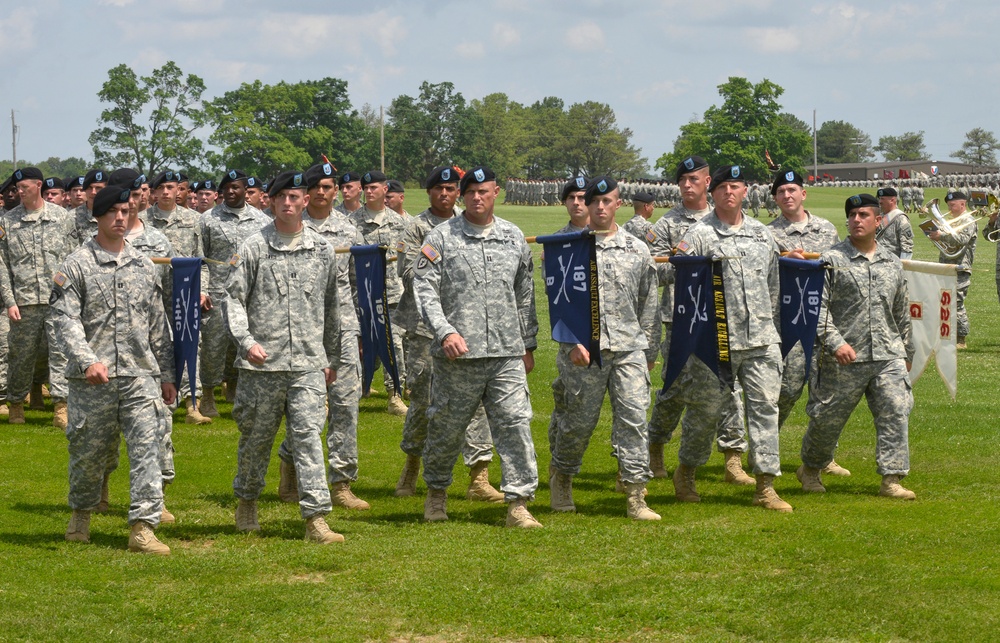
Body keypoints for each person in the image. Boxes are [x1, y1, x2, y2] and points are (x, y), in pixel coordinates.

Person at [413, 166, 542, 528]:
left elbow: (524, 295)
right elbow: (424, 289)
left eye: (484, 191)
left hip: (505, 354)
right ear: (461, 195)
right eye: (470, 192)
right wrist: (444, 331)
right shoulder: (441, 237)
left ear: (496, 192)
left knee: (515, 425)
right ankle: (436, 494)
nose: (477, 198)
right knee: (446, 429)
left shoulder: (513, 236)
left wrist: (528, 343)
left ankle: (518, 503)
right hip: (459, 355)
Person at [55, 185, 176, 554]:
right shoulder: (75, 265)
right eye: (113, 212)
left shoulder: (143, 263)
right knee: (89, 454)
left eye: (126, 211)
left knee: (147, 452)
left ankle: (142, 527)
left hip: (141, 376)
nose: (120, 218)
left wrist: (167, 374)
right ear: (98, 215)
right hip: (94, 380)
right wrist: (86, 359)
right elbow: (65, 319)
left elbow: (158, 322)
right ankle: (81, 514)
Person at [224, 170, 344, 544]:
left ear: (305, 201)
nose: (289, 203)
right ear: (270, 202)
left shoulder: (322, 249)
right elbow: (234, 300)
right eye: (282, 198)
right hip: (263, 366)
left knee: (308, 438)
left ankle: (316, 519)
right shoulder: (252, 247)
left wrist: (332, 359)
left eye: (295, 197)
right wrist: (246, 341)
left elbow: (332, 307)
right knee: (256, 440)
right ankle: (247, 503)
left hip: (308, 363)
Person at [673, 165, 791, 512]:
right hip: (714, 342)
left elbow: (773, 285)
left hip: (760, 340)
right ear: (713, 192)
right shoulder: (698, 234)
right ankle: (687, 471)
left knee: (765, 411)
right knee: (704, 413)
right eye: (722, 186)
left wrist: (769, 327)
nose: (728, 192)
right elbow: (677, 278)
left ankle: (766, 486)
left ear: (745, 191)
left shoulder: (762, 234)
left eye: (735, 186)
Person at [547, 177, 661, 520]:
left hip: (628, 349)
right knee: (577, 423)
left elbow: (649, 303)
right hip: (582, 352)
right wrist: (569, 343)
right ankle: (562, 477)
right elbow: (558, 302)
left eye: (607, 201)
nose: (599, 207)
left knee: (634, 420)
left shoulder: (637, 248)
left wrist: (648, 351)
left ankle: (636, 494)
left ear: (618, 204)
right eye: (593, 201)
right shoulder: (566, 247)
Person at [393, 166, 504, 503]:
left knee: (477, 401)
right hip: (426, 330)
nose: (445, 194)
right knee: (426, 401)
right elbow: (410, 273)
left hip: (467, 328)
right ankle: (413, 464)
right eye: (438, 189)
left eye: (450, 188)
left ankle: (479, 476)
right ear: (428, 193)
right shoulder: (413, 228)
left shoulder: (467, 223)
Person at [798, 194, 915, 500]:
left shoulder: (892, 262)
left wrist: (907, 353)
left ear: (878, 221)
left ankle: (892, 479)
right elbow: (817, 309)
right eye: (852, 215)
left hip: (887, 354)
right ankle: (810, 468)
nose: (856, 219)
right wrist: (836, 344)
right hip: (843, 357)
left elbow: (902, 311)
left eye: (864, 215)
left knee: (895, 412)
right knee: (827, 420)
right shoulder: (831, 260)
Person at [646, 157, 749, 485]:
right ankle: (656, 446)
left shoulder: (725, 219)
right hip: (682, 320)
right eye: (682, 181)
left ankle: (733, 460)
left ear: (708, 183)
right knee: (674, 389)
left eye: (693, 180)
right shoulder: (666, 224)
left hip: (723, 318)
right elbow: (654, 272)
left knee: (729, 387)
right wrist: (678, 262)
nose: (687, 186)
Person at [276, 161, 372, 511]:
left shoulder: (349, 231)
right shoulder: (287, 229)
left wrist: (362, 332)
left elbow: (361, 286)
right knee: (305, 407)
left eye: (327, 186)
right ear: (303, 194)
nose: (321, 191)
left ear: (336, 191)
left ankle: (342, 482)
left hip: (343, 328)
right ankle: (290, 470)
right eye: (314, 186)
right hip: (300, 331)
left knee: (345, 404)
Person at [765, 171, 846, 477]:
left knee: (826, 394)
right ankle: (765, 451)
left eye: (792, 190)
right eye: (782, 191)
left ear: (803, 194)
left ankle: (823, 456)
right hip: (787, 325)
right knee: (785, 392)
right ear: (775, 198)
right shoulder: (767, 234)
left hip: (824, 322)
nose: (787, 195)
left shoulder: (826, 229)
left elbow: (837, 271)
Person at [0, 167, 77, 426]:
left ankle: (61, 406)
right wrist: (9, 301)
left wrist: (67, 293)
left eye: (24, 187)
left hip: (57, 301)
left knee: (60, 353)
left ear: (38, 186)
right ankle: (16, 404)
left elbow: (71, 258)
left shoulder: (62, 217)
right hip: (23, 302)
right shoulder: (8, 221)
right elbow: (3, 266)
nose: (19, 192)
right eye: (17, 188)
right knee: (20, 356)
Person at [198, 169, 269, 417]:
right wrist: (202, 291)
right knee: (213, 347)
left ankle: (240, 393)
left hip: (249, 295)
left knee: (245, 345)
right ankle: (207, 397)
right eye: (226, 188)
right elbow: (201, 260)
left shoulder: (262, 221)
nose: (230, 191)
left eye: (235, 187)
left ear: (245, 191)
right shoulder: (208, 219)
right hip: (217, 294)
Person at [145, 169, 212, 424]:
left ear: (179, 190)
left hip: (184, 294)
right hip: (153, 294)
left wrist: (201, 290)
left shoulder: (193, 220)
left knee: (189, 343)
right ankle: (160, 400)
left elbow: (202, 262)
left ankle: (191, 403)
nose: (165, 192)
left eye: (170, 187)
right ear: (153, 192)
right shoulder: (143, 221)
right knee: (155, 345)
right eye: (160, 188)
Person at [349, 170, 409, 415]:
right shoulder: (352, 222)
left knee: (393, 343)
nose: (369, 191)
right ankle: (349, 391)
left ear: (386, 190)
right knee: (354, 347)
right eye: (366, 187)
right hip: (360, 295)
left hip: (393, 294)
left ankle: (395, 393)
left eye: (374, 187)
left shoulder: (401, 222)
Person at [928, 191, 976, 348]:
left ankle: (961, 338)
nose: (949, 208)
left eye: (952, 205)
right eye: (948, 205)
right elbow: (948, 241)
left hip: (961, 267)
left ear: (962, 204)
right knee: (944, 300)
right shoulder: (953, 221)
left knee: (957, 301)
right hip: (947, 265)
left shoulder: (968, 220)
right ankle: (947, 335)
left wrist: (941, 236)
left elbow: (962, 240)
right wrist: (935, 235)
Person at [876, 187, 914, 260]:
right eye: (879, 198)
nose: (880, 201)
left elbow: (907, 246)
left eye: (882, 199)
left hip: (892, 264)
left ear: (892, 200)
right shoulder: (879, 216)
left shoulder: (901, 218)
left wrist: (903, 267)